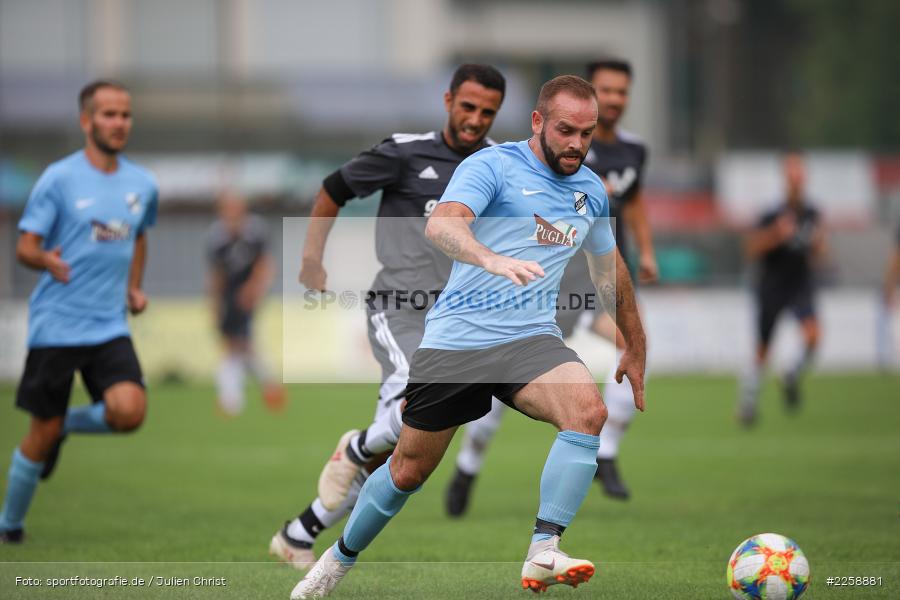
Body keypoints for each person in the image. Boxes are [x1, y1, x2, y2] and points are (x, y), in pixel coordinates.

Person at [292, 75, 646, 598]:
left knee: (587, 413)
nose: (576, 144)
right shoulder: (491, 165)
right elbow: (443, 226)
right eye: (566, 130)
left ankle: (543, 551)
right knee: (407, 471)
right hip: (458, 341)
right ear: (538, 122)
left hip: (530, 341)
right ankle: (335, 562)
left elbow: (607, 270)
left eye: (587, 133)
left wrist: (636, 344)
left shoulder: (590, 190)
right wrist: (489, 256)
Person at [268, 64, 505, 569]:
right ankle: (353, 449)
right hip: (399, 306)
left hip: (458, 322)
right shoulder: (405, 151)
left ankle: (299, 531)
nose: (476, 119)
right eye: (468, 106)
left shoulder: (499, 165)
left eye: (487, 111)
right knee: (410, 397)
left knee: (405, 460)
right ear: (448, 101)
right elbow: (333, 187)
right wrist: (312, 257)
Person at [445, 58, 656, 512]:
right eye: (607, 89)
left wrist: (647, 251)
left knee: (633, 346)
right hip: (526, 294)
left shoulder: (628, 154)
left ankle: (609, 453)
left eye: (621, 92)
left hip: (582, 287)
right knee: (493, 402)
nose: (614, 98)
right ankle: (468, 464)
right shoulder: (544, 148)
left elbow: (631, 210)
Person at [0, 80, 158, 543]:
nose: (118, 123)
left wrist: (134, 287)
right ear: (86, 121)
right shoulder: (58, 179)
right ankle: (9, 526)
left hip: (108, 323)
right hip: (58, 324)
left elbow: (140, 234)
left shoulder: (142, 183)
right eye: (108, 114)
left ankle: (63, 425)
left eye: (125, 115)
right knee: (38, 433)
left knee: (130, 412)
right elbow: (25, 246)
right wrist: (45, 258)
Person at [738, 153, 826, 425]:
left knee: (813, 336)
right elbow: (751, 249)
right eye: (792, 177)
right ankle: (748, 403)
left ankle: (790, 373)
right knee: (763, 348)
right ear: (785, 180)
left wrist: (817, 245)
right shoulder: (772, 215)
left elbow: (821, 251)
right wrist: (776, 235)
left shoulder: (812, 214)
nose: (796, 182)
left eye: (800, 176)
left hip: (799, 284)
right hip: (772, 285)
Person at [207, 192, 285, 416]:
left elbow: (265, 264)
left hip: (249, 294)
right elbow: (216, 273)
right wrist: (215, 301)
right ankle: (268, 387)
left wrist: (254, 289)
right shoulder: (217, 236)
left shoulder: (255, 231)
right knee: (240, 345)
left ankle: (232, 399)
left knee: (237, 344)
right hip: (229, 296)